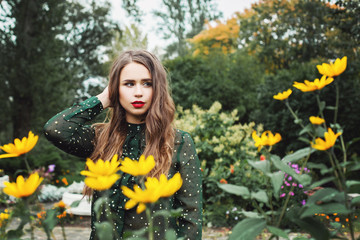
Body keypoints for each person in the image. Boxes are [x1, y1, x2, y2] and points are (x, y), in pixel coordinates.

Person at [43, 50, 202, 240]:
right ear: (114, 89)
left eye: (147, 83)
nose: (138, 92)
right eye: (128, 84)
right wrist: (102, 100)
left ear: (157, 88)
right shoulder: (100, 138)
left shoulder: (178, 142)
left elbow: (191, 218)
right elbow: (55, 129)